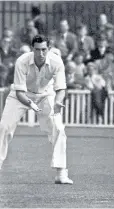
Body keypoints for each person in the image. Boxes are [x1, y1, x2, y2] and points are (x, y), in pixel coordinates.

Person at [0, 35, 73, 185]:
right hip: (20, 95)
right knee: (3, 127)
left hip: (46, 95)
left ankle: (61, 173)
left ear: (49, 49)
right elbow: (20, 93)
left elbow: (61, 89)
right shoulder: (22, 61)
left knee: (58, 128)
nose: (40, 54)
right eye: (37, 50)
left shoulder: (57, 62)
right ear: (32, 49)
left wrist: (58, 103)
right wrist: (31, 105)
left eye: (44, 50)